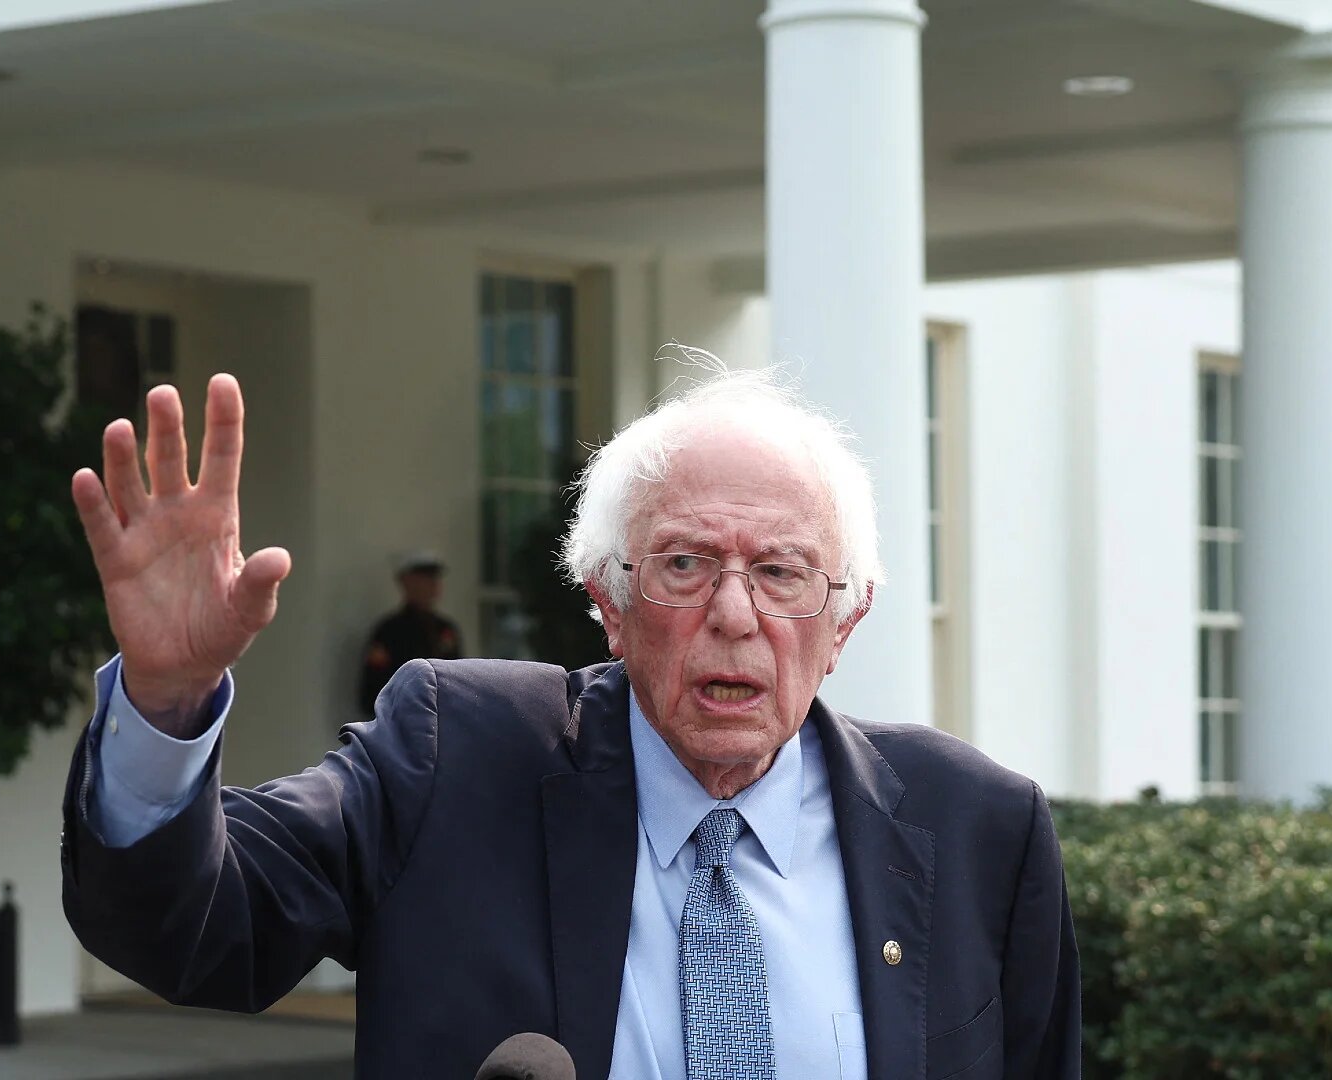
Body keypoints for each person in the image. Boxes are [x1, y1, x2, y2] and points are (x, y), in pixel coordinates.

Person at [61, 358, 1081, 1078]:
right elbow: (193, 934)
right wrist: (166, 696)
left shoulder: (978, 828)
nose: (736, 614)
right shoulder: (455, 755)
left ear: (846, 616)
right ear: (607, 602)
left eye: (781, 571)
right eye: (684, 564)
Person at [357, 550, 462, 716]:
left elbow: (459, 681)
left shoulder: (445, 629)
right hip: (401, 721)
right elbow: (372, 691)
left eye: (434, 579)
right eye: (425, 579)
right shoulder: (389, 631)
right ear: (406, 582)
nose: (433, 585)